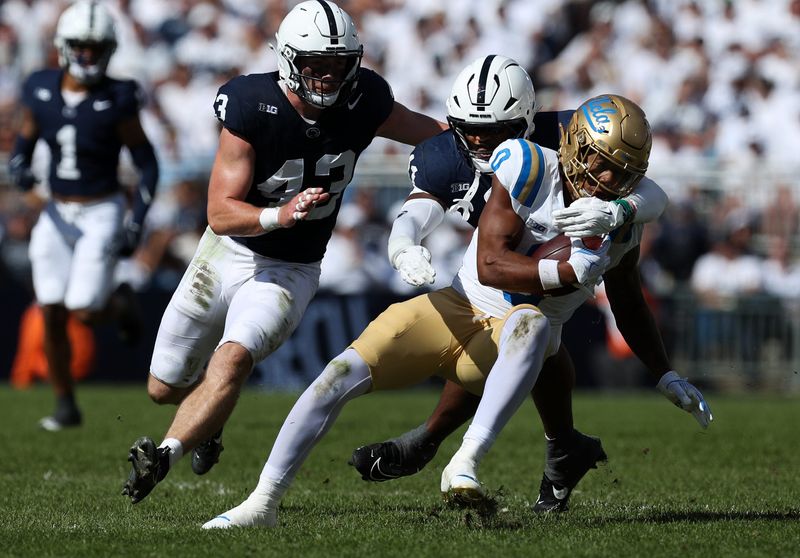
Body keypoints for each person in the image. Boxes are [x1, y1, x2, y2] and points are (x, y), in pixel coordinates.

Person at [200, 93, 711, 529]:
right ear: (575, 148)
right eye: (602, 164)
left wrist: (665, 372)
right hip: (460, 304)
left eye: (623, 174)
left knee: (532, 323)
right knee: (337, 374)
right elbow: (490, 265)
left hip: (517, 339)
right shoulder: (529, 167)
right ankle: (261, 503)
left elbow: (628, 295)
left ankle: (464, 461)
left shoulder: (625, 217)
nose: (609, 178)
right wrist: (564, 273)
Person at [121, 0, 447, 504]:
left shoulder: (365, 100)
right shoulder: (253, 104)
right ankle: (209, 425)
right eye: (316, 62)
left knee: (232, 360)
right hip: (228, 249)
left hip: (291, 268)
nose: (327, 74)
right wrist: (279, 213)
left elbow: (436, 137)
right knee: (162, 387)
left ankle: (165, 453)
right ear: (289, 58)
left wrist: (486, 141)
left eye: (338, 63)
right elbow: (220, 212)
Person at [349, 55, 670, 512]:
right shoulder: (445, 154)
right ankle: (544, 446)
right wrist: (403, 243)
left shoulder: (558, 140)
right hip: (498, 259)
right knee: (516, 329)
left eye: (499, 130)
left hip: (544, 252)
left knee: (530, 329)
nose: (483, 143)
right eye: (471, 129)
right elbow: (419, 210)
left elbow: (651, 190)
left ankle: (436, 441)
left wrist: (621, 211)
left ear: (525, 122)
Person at [7, 0, 159, 431]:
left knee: (85, 309)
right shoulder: (39, 87)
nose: (88, 55)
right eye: (80, 46)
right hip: (55, 211)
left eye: (96, 47)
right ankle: (65, 404)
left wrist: (136, 219)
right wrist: (19, 165)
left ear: (109, 49)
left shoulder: (118, 97)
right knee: (51, 309)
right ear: (64, 46)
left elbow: (147, 162)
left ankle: (121, 302)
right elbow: (25, 141)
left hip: (101, 209)